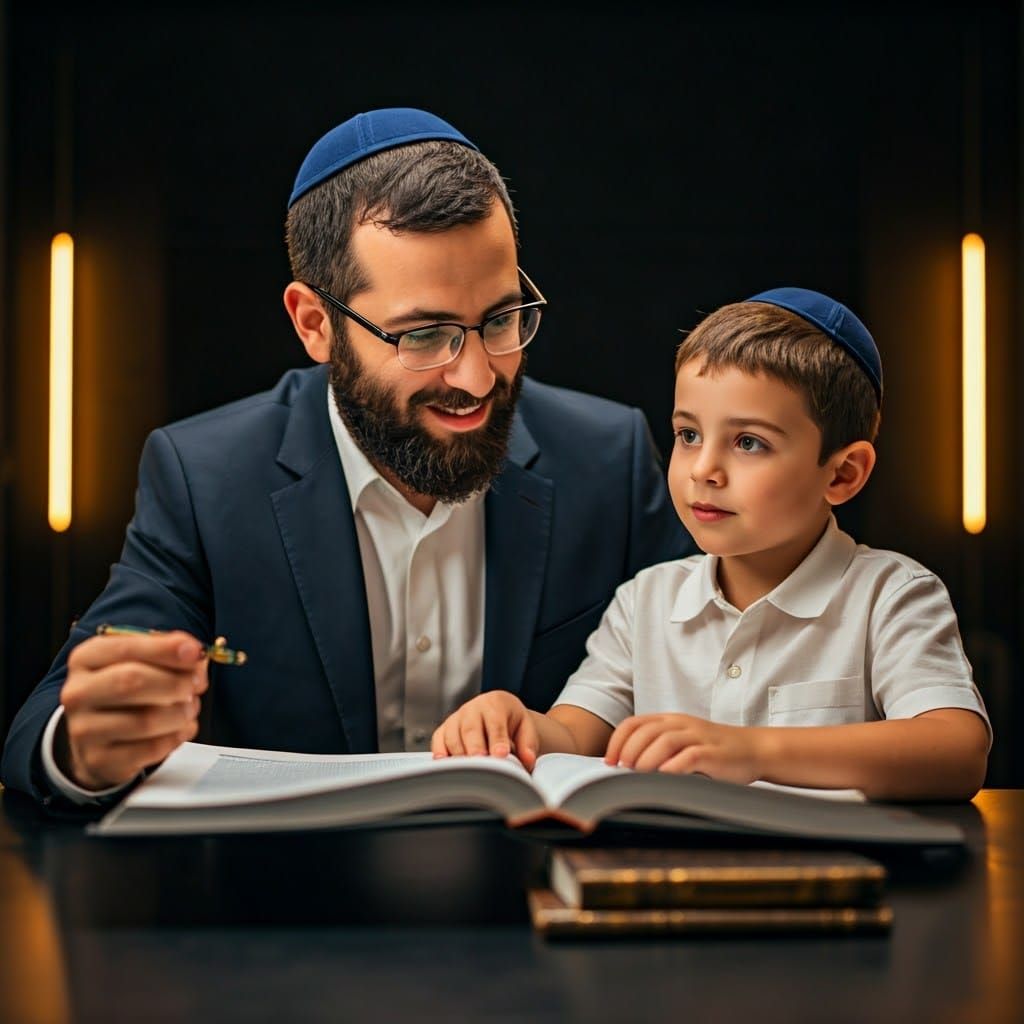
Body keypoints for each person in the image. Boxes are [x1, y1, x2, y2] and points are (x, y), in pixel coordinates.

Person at [0, 108, 688, 807]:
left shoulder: (608, 459)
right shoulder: (205, 478)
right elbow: (39, 733)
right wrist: (86, 743)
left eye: (503, 320)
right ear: (314, 324)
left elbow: (716, 681)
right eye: (424, 336)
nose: (479, 378)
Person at [432, 287, 991, 800]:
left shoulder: (890, 596)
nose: (704, 469)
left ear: (842, 474)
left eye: (748, 442)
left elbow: (956, 749)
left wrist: (749, 751)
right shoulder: (643, 601)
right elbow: (576, 734)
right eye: (688, 435)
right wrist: (515, 721)